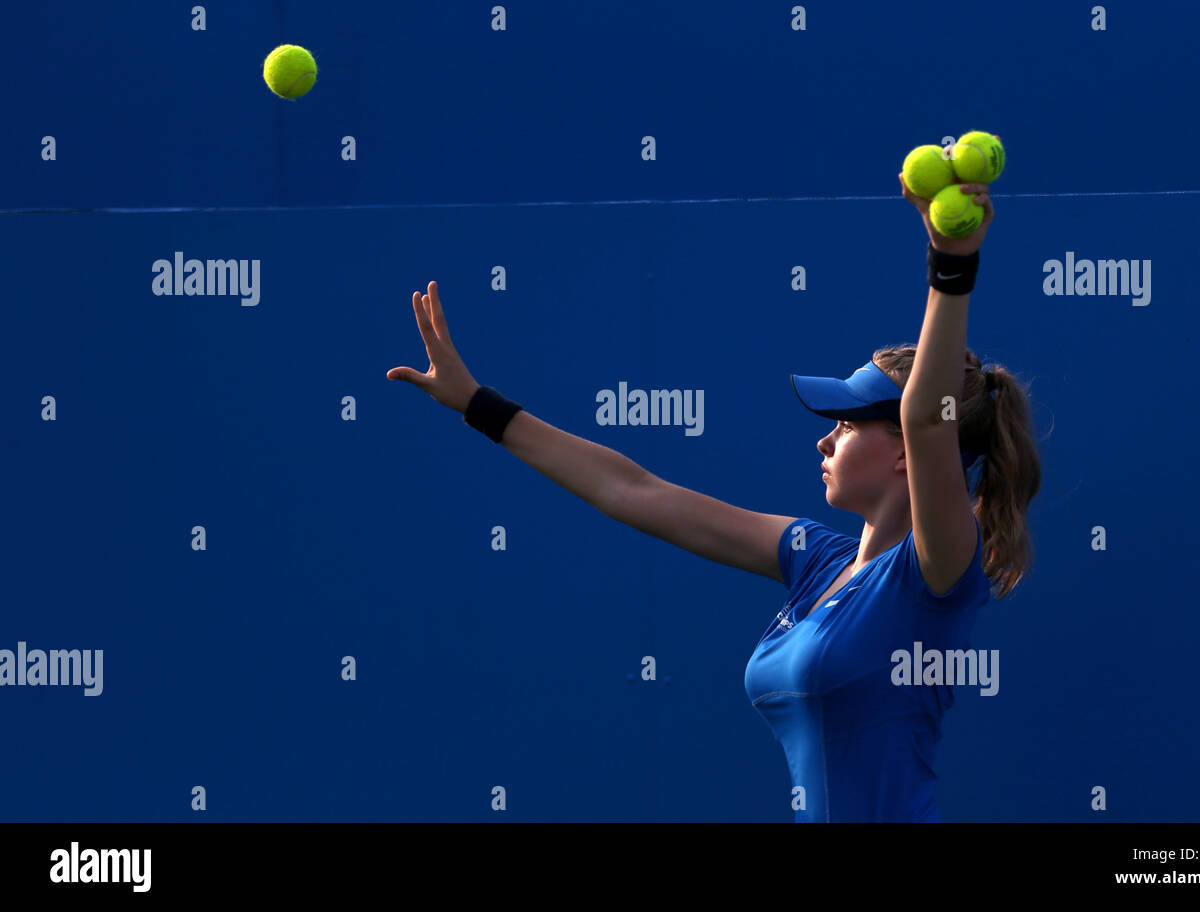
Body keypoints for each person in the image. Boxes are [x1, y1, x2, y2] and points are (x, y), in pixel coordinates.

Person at [387, 172, 1041, 822]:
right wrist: (479, 406)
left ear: (904, 449)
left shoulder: (938, 573)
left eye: (844, 425)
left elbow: (929, 418)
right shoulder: (816, 560)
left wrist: (950, 265)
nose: (824, 442)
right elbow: (633, 491)